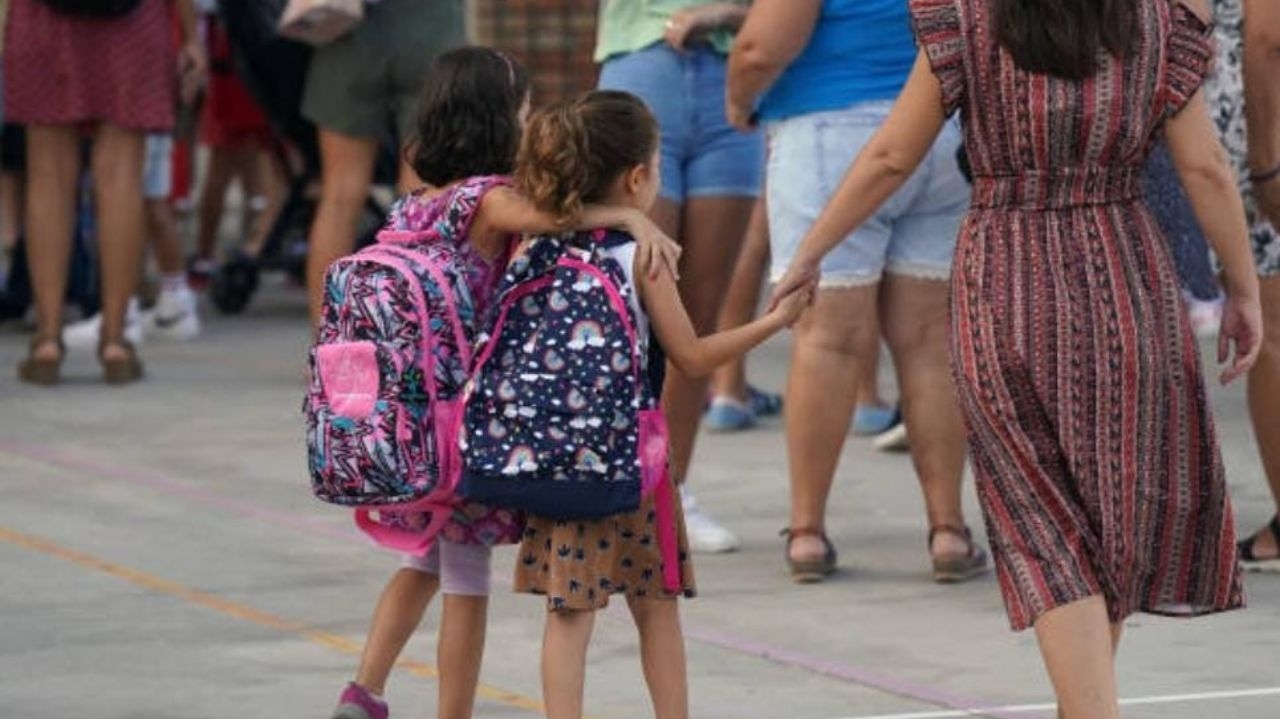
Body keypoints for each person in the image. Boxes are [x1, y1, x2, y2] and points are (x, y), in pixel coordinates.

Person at [770, 0, 1260, 714]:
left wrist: (811, 252)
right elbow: (1205, 168)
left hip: (1004, 275)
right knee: (1110, 507)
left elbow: (890, 155)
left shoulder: (967, 20)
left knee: (1039, 515)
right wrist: (1242, 290)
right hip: (1125, 274)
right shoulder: (1157, 23)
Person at [329, 49, 682, 719]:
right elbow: (556, 218)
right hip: (462, 417)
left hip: (411, 416)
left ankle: (365, 688)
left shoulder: (418, 201)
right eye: (522, 110)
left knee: (420, 562)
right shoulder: (488, 198)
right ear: (499, 118)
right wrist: (631, 218)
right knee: (463, 575)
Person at [510, 89, 809, 719]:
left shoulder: (532, 248)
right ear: (638, 177)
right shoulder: (640, 257)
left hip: (555, 459)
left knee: (569, 614)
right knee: (657, 605)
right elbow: (694, 358)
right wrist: (775, 321)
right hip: (633, 467)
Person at [727, 0, 985, 583]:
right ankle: (948, 528)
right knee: (929, 341)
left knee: (827, 338)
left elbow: (760, 46)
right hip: (937, 127)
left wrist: (740, 101)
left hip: (831, 128)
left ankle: (808, 531)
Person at [595, 0, 761, 552]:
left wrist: (726, 13)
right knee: (633, 306)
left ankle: (670, 490)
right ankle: (611, 485)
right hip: (644, 67)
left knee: (696, 316)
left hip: (731, 74)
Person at [6, 0, 205, 385]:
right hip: (134, 21)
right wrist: (191, 34)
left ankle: (47, 338)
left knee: (48, 176)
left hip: (41, 19)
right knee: (122, 179)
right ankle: (114, 340)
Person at [303, 0, 465, 326]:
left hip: (349, 29)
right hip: (430, 30)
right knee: (421, 199)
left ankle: (327, 348)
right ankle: (412, 342)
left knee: (339, 195)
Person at [1206, 0, 1280, 572]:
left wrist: (1266, 163)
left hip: (1258, 118)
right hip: (1250, 110)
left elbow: (1265, 36)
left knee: (1274, 332)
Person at [62, 134, 202, 348]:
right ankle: (174, 303)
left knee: (125, 201)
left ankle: (123, 313)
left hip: (130, 121)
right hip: (153, 116)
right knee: (152, 200)